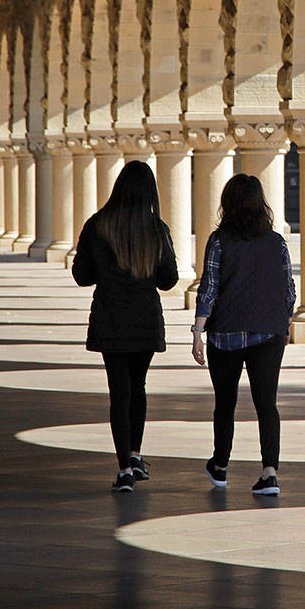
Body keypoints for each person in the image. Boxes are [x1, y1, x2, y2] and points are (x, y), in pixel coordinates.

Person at [71, 161, 178, 493]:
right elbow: (169, 280)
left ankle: (123, 469)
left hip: (111, 319)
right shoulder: (156, 229)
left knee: (119, 391)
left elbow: (81, 275)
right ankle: (135, 455)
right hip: (145, 319)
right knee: (139, 386)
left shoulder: (98, 225)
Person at [192, 173, 296, 497]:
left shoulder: (219, 241)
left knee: (225, 403)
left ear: (227, 204)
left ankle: (220, 466)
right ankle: (269, 473)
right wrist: (284, 322)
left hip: (225, 334)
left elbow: (208, 288)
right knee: (267, 404)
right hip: (268, 332)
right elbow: (289, 290)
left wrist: (198, 330)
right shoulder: (276, 242)